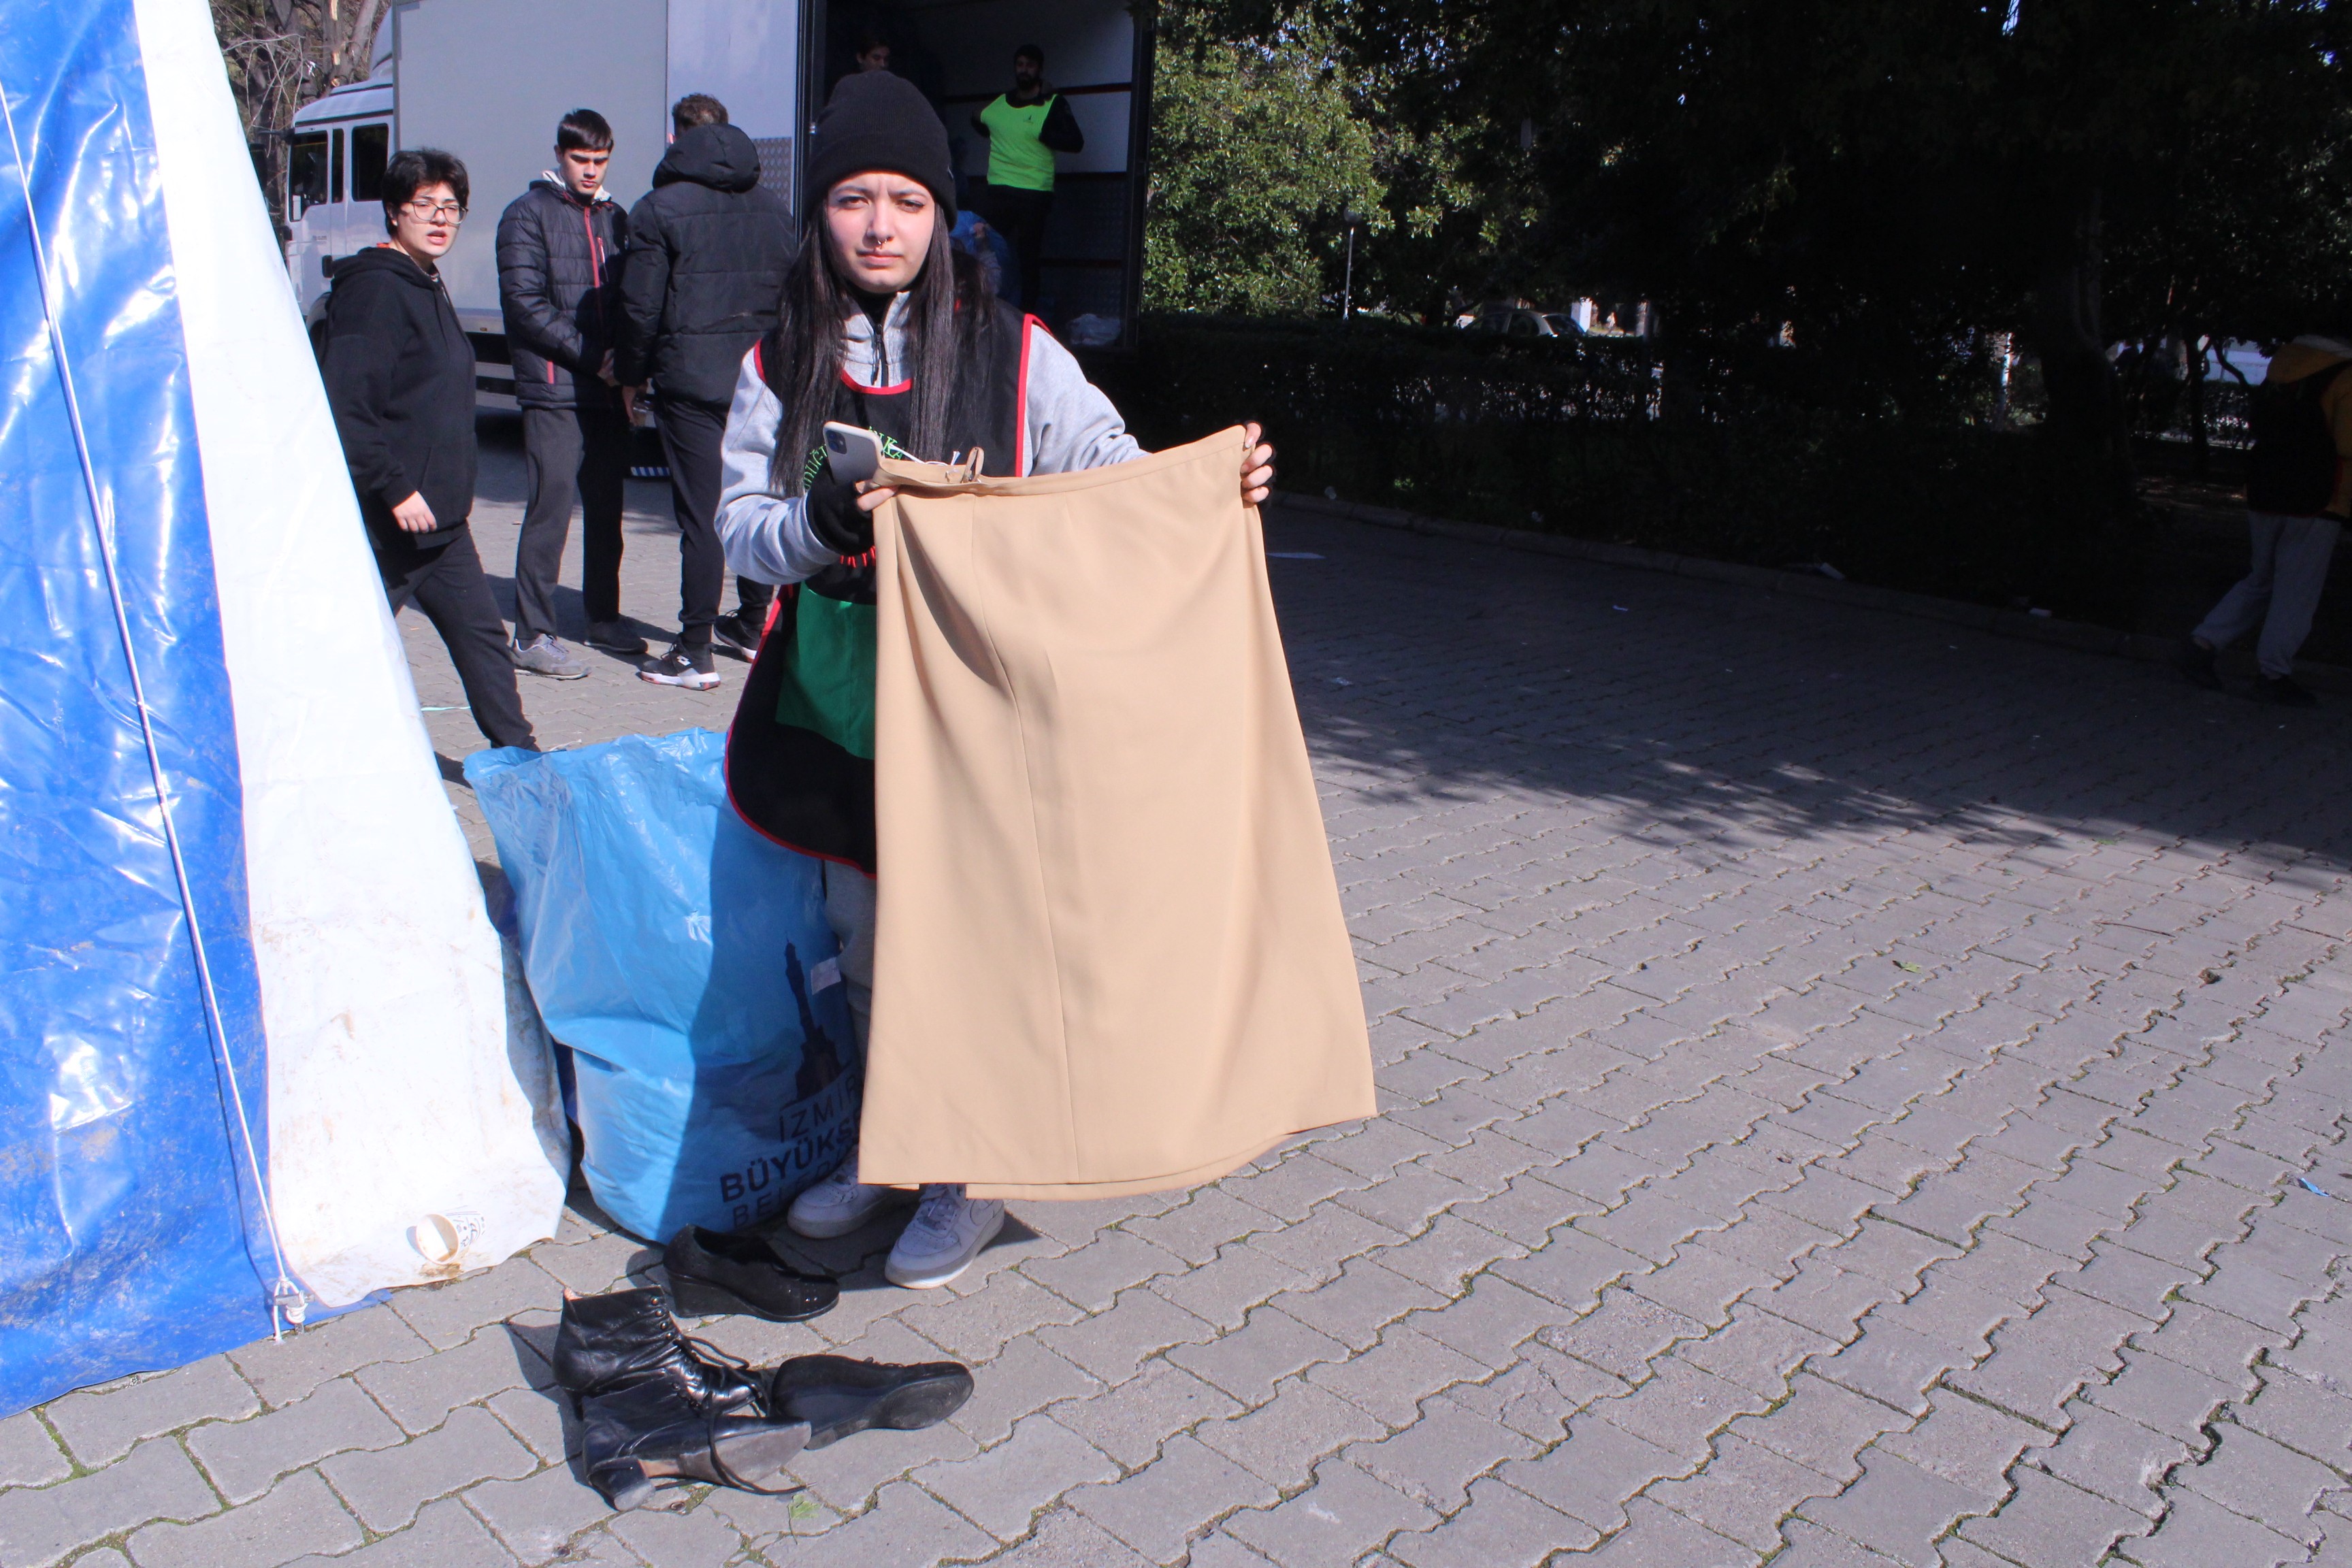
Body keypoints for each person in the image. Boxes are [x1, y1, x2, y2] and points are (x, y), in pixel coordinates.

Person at [715, 71, 1273, 1289]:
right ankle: (888, 1135)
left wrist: (1212, 488)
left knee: (970, 948)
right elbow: (737, 531)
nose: (879, 225)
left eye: (906, 200)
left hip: (978, 716)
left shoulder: (1020, 353)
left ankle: (970, 1171)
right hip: (841, 710)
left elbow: (1111, 473)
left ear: (940, 214)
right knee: (862, 948)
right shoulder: (776, 362)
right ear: (820, 214)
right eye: (854, 198)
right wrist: (810, 525)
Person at [324, 149, 536, 753]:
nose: (440, 219)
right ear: (394, 212)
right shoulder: (376, 291)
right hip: (393, 521)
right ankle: (301, 758)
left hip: (440, 520)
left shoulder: (424, 281)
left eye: (451, 207)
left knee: (483, 642)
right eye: (424, 205)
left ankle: (522, 760)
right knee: (347, 648)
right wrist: (393, 487)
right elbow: (347, 408)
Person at [617, 94, 798, 686]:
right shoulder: (775, 209)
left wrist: (630, 375)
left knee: (702, 515)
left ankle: (693, 651)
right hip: (763, 377)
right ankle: (751, 624)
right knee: (753, 501)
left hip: (690, 382)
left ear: (676, 139)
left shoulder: (656, 210)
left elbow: (639, 308)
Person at [497, 108, 636, 681]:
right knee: (551, 509)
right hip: (555, 389)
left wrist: (628, 366)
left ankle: (603, 616)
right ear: (559, 155)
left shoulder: (617, 217)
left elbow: (634, 298)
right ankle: (531, 633)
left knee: (607, 511)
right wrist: (594, 358)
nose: (590, 170)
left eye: (600, 161)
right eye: (581, 159)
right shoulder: (525, 215)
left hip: (605, 391)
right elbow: (527, 307)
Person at [2181, 333, 2352, 707]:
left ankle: (2202, 644)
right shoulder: (2345, 377)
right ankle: (2273, 674)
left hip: (2265, 489)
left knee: (2261, 578)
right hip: (2319, 497)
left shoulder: (2286, 367)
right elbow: (2348, 445)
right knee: (2296, 591)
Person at [970, 44, 1082, 313]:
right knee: (988, 250)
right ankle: (987, 308)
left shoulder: (1053, 103)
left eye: (1030, 65)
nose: (1024, 70)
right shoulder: (1000, 104)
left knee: (1028, 257)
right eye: (1020, 64)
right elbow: (977, 119)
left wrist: (1046, 136)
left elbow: (1076, 142)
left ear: (1040, 70)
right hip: (1000, 191)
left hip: (1034, 193)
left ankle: (1027, 317)